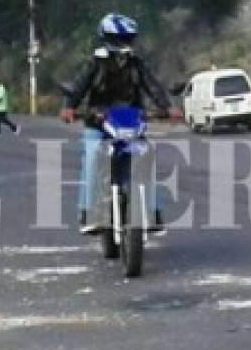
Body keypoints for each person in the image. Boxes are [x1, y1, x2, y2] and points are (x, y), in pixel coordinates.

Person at [60, 13, 171, 234]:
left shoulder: (136, 64)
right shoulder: (95, 63)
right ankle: (88, 212)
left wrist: (167, 106)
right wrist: (69, 106)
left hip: (131, 122)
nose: (125, 44)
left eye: (128, 39)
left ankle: (153, 212)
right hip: (98, 124)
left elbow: (153, 86)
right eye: (120, 39)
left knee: (146, 157)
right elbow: (79, 86)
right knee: (91, 158)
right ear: (107, 38)